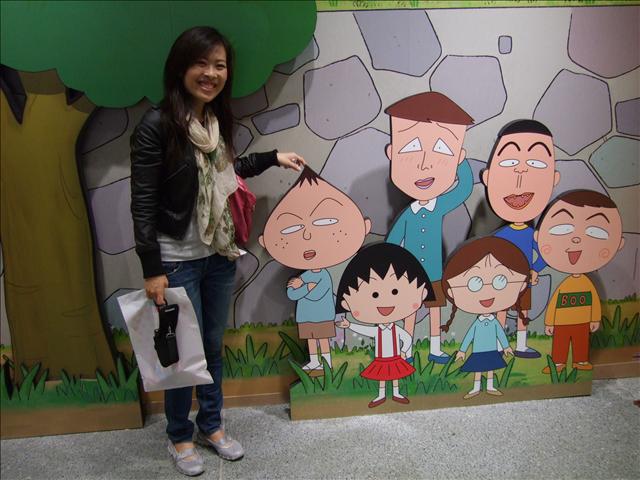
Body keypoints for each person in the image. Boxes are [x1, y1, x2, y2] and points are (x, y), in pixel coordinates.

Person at [130, 26, 305, 476]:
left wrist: (271, 157)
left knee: (211, 347)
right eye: (201, 63)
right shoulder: (156, 125)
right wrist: (152, 268)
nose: (211, 73)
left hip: (219, 256)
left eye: (219, 65)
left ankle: (211, 425)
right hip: (175, 260)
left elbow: (225, 172)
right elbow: (143, 203)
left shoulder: (213, 121)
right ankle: (179, 435)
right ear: (180, 68)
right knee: (181, 356)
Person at [384, 91, 474, 364]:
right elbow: (392, 243)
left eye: (443, 150)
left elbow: (465, 188)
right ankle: (407, 350)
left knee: (435, 310)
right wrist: (390, 267)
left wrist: (461, 162)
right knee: (409, 311)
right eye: (411, 147)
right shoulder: (407, 215)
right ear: (391, 153)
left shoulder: (439, 206)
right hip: (410, 275)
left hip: (434, 270)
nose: (424, 164)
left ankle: (435, 348)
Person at [258, 167, 371, 372]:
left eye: (324, 222)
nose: (307, 236)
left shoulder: (322, 275)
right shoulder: (306, 275)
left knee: (323, 339)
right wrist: (302, 287)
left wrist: (303, 287)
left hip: (323, 315)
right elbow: (292, 294)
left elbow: (317, 292)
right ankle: (314, 361)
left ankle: (325, 360)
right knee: (311, 339)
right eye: (293, 228)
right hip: (305, 315)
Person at [482, 119, 560, 359]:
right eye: (510, 163)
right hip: (502, 280)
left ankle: (522, 344)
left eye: (535, 163)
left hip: (525, 278)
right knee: (502, 308)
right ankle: (499, 343)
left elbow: (545, 251)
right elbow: (491, 257)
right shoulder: (500, 235)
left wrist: (535, 269)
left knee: (523, 310)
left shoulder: (531, 234)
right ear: (488, 177)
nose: (521, 172)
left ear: (554, 178)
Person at [534, 190, 624, 373]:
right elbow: (554, 304)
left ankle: (580, 361)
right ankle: (558, 363)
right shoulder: (563, 284)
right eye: (562, 229)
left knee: (581, 341)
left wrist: (594, 319)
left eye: (596, 232)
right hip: (562, 322)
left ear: (618, 244)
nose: (576, 238)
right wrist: (550, 323)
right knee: (560, 342)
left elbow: (593, 302)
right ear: (538, 236)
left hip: (582, 321)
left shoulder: (587, 283)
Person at [335, 242, 433, 407]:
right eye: (374, 294)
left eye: (395, 291)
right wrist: (349, 325)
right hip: (382, 358)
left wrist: (404, 351)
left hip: (395, 357)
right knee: (381, 378)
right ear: (346, 303)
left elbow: (406, 338)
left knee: (395, 377)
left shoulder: (395, 329)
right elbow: (366, 331)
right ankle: (380, 395)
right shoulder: (378, 330)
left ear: (422, 293)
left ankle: (396, 393)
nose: (385, 302)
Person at [442, 237, 529, 399]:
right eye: (475, 283)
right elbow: (469, 336)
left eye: (500, 281)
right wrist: (462, 350)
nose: (487, 292)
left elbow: (500, 334)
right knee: (477, 370)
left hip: (491, 350)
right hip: (478, 351)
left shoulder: (494, 322)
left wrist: (506, 347)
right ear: (451, 292)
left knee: (490, 369)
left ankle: (489, 386)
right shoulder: (478, 323)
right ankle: (475, 388)